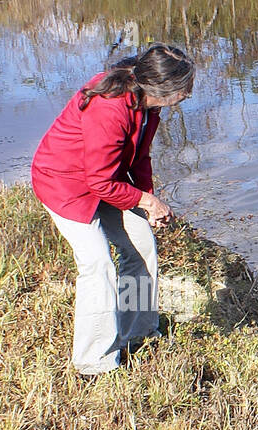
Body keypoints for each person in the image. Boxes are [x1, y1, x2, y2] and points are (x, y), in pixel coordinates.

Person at [31, 44, 195, 377]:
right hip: (65, 185)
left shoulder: (148, 105)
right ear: (163, 89)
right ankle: (94, 363)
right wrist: (147, 202)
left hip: (106, 180)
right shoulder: (110, 106)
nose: (189, 94)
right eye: (184, 89)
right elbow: (99, 182)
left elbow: (141, 158)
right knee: (97, 264)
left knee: (142, 246)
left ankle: (138, 333)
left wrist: (148, 199)